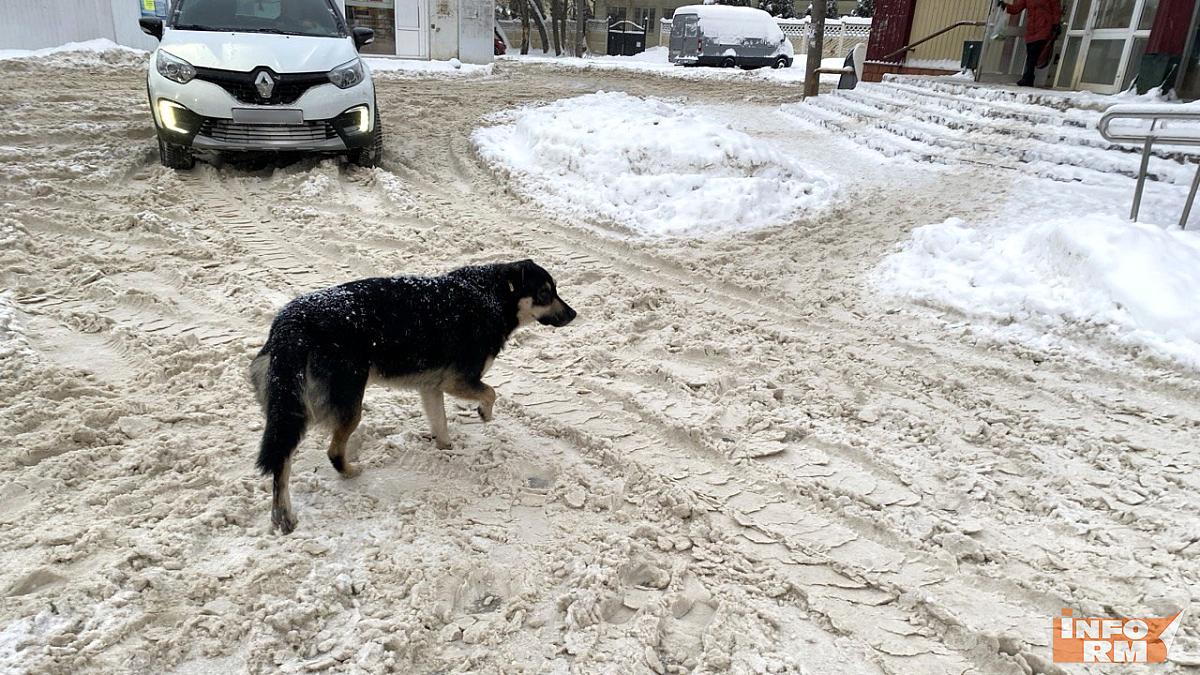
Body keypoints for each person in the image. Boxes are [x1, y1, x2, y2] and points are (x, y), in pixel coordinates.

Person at [998, 0, 1062, 87]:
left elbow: (1056, 9)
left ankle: (1028, 77)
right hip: (1031, 30)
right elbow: (1016, 8)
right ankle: (1029, 78)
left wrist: (1056, 24)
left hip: (1044, 28)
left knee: (1033, 54)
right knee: (1030, 54)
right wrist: (1004, 6)